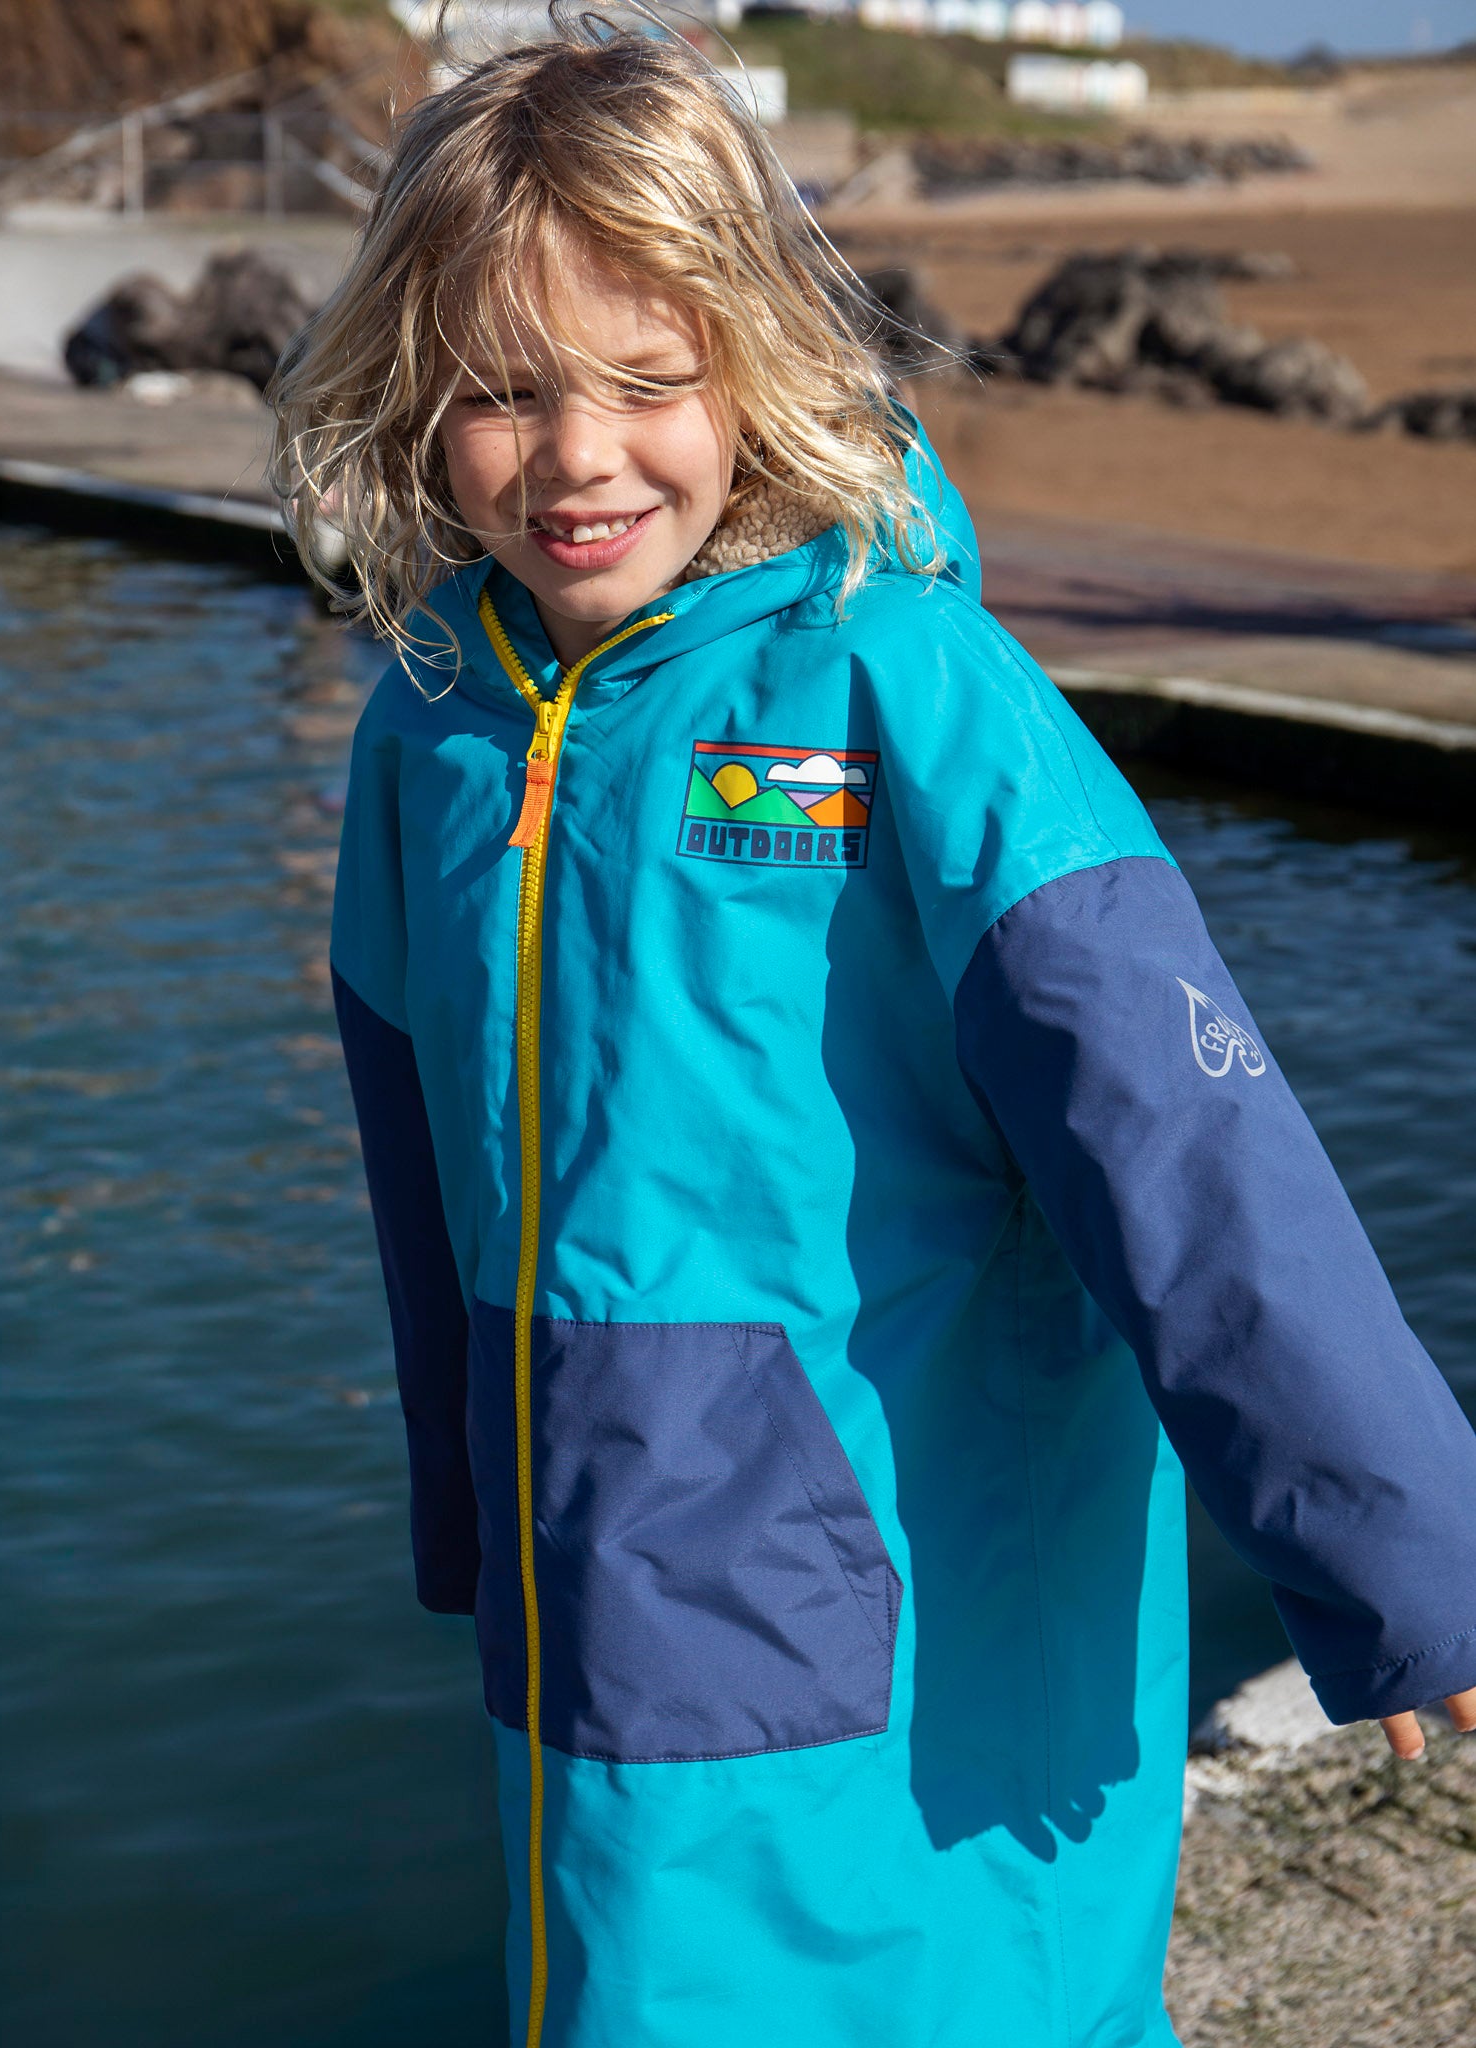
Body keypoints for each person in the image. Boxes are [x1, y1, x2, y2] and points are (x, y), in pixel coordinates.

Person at [269, 24, 1476, 2048]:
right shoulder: (430, 729)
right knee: (626, 1978)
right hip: (601, 1559)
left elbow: (1180, 1138)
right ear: (407, 389)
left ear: (755, 356)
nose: (578, 458)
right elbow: (415, 1141)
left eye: (651, 385)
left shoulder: (904, 689)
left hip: (926, 1545)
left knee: (963, 1989)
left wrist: (1401, 1541)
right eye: (501, 392)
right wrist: (469, 1499)